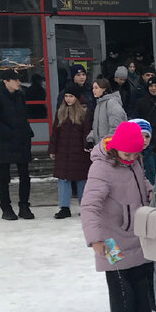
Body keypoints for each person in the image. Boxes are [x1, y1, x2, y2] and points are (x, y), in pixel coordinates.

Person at [80, 121, 154, 312]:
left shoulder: (134, 161)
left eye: (136, 153)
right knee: (121, 287)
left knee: (141, 283)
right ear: (115, 148)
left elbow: (140, 182)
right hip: (110, 239)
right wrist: (96, 239)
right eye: (127, 153)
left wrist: (151, 192)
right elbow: (90, 206)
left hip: (136, 234)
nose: (131, 157)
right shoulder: (101, 168)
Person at [0, 70, 34, 221]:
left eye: (19, 80)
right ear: (6, 81)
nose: (18, 82)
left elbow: (23, 115)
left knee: (25, 175)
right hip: (4, 142)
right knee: (4, 176)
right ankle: (6, 207)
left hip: (21, 140)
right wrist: (10, 133)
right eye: (15, 80)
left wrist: (26, 132)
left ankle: (24, 206)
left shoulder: (19, 95)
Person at [49, 86, 92, 219]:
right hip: (63, 151)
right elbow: (55, 132)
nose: (68, 99)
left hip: (79, 152)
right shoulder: (60, 112)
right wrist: (52, 149)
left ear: (77, 98)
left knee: (81, 180)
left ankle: (84, 206)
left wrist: (87, 146)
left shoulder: (84, 112)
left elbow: (86, 132)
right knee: (63, 179)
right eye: (66, 96)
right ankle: (64, 207)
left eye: (71, 96)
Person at [133, 76, 156, 155]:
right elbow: (136, 119)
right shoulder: (141, 102)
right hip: (146, 138)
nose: (153, 88)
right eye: (151, 86)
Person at [88, 77, 126, 149]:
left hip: (111, 148)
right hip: (100, 147)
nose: (93, 90)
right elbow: (96, 128)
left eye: (96, 88)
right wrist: (90, 140)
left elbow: (117, 127)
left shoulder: (112, 103)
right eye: (93, 88)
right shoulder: (99, 104)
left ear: (104, 89)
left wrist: (108, 143)